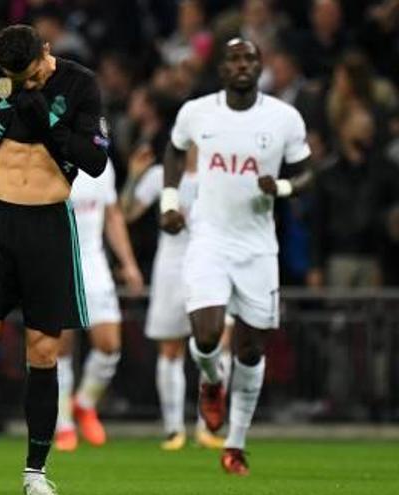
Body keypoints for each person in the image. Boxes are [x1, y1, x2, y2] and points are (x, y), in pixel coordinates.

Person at [0, 25, 110, 495]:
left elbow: (95, 161)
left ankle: (35, 474)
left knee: (44, 352)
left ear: (45, 53)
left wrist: (46, 119)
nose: (23, 84)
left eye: (29, 76)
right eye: (15, 77)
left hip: (49, 226)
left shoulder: (79, 85)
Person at [160, 39, 313, 475]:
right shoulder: (197, 112)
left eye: (250, 59)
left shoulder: (284, 118)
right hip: (209, 239)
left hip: (258, 248)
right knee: (206, 336)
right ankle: (211, 380)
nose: (243, 65)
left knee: (249, 350)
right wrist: (170, 201)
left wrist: (281, 188)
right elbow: (174, 149)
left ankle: (236, 444)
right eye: (234, 59)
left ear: (260, 67)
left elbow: (305, 172)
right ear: (221, 69)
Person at [121, 148, 230, 451]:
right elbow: (127, 212)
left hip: (211, 264)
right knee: (171, 349)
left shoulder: (219, 175)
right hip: (171, 267)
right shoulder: (160, 177)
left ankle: (208, 425)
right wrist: (132, 177)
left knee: (220, 344)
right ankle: (173, 429)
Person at [54, 158, 144, 452]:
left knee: (109, 346)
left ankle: (84, 404)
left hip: (94, 264)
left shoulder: (102, 164)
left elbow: (114, 216)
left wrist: (128, 263)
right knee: (61, 347)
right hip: (59, 262)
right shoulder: (48, 155)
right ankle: (64, 423)